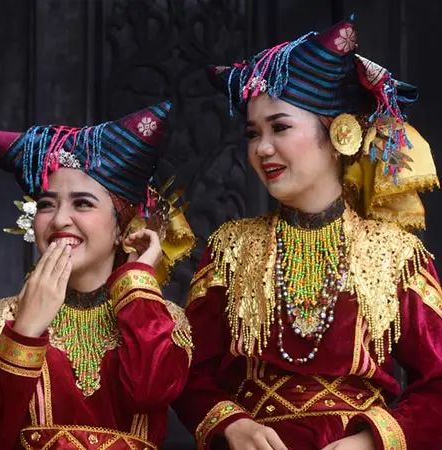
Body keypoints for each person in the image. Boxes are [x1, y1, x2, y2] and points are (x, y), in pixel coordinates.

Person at [172, 18, 442, 450]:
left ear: (340, 133)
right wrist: (233, 425)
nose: (262, 148)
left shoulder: (397, 254)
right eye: (252, 133)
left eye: (280, 127)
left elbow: (438, 386)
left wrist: (372, 442)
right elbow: (190, 372)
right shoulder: (231, 248)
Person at [0, 101, 197, 449]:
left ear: (123, 228)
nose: (58, 220)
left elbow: (150, 391)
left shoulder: (164, 319)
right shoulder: (2, 319)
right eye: (46, 204)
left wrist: (137, 278)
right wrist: (24, 333)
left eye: (82, 203)